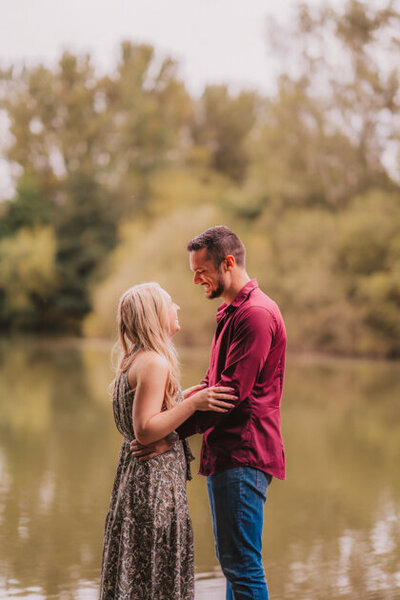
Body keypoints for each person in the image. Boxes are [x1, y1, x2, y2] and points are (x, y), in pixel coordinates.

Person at [131, 227, 286, 600]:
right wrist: (168, 410)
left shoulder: (256, 315)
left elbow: (230, 395)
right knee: (234, 565)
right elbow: (211, 382)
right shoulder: (232, 312)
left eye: (201, 270)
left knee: (242, 566)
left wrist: (167, 436)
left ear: (227, 263)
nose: (196, 278)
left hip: (243, 453)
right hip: (228, 453)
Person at [99, 282, 236, 600]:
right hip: (155, 488)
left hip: (136, 484)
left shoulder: (135, 359)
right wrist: (193, 405)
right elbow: (146, 429)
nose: (177, 308)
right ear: (154, 315)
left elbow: (157, 408)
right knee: (157, 573)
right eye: (170, 303)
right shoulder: (155, 364)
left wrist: (189, 394)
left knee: (140, 573)